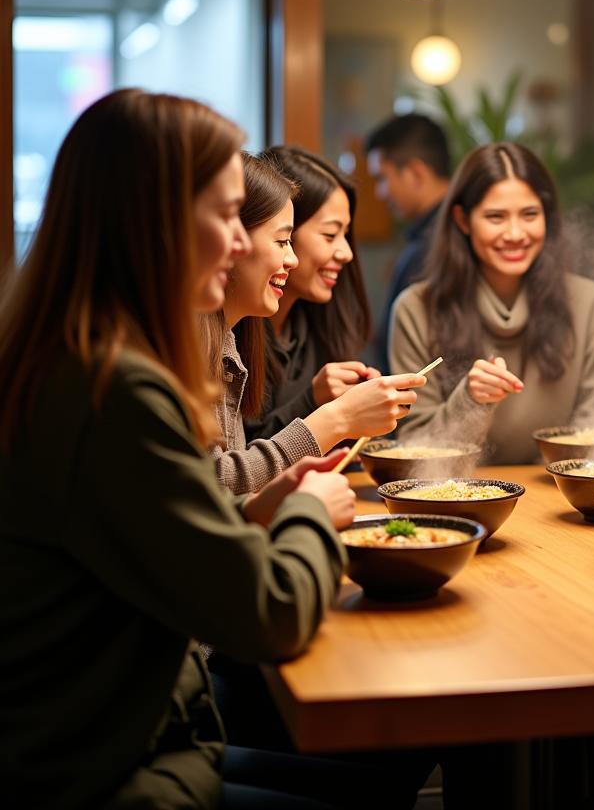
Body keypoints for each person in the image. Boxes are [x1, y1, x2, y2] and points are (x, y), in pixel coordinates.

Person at [0, 89, 354, 809]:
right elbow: (269, 613)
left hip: (116, 745)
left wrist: (276, 501)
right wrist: (311, 512)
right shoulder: (111, 389)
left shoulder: (73, 353)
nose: (241, 242)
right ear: (151, 220)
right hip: (107, 775)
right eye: (227, 216)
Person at [389, 141, 594, 464]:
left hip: (556, 500)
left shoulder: (588, 303)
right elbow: (415, 452)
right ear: (462, 220)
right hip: (454, 501)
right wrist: (469, 401)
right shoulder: (416, 309)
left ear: (547, 216)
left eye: (529, 214)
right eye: (496, 217)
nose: (515, 233)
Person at [207, 152, 424, 496]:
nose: (346, 253)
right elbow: (217, 483)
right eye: (282, 240)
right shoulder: (205, 338)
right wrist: (330, 414)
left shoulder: (303, 324)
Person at [245, 146, 379, 442]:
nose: (345, 253)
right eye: (330, 235)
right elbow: (239, 464)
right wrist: (313, 399)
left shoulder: (315, 323)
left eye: (346, 235)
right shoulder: (231, 335)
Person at [366, 113, 452, 372]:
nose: (380, 193)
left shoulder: (436, 246)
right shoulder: (439, 234)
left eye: (382, 178)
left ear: (415, 173)